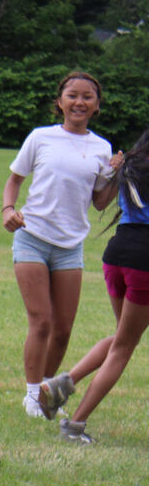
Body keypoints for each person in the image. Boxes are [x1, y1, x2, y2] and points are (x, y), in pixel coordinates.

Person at [1, 72, 120, 420]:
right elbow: (14, 180)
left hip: (70, 246)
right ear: (60, 102)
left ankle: (46, 394)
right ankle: (31, 394)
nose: (79, 102)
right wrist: (8, 209)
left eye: (87, 97)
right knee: (41, 321)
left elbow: (100, 202)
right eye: (72, 95)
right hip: (33, 237)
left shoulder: (101, 148)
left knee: (63, 330)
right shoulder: (41, 138)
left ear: (96, 106)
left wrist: (114, 174)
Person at [39, 129, 149, 444]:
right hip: (144, 260)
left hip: (117, 255)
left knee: (122, 337)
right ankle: (74, 426)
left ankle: (62, 385)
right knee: (124, 346)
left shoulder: (133, 163)